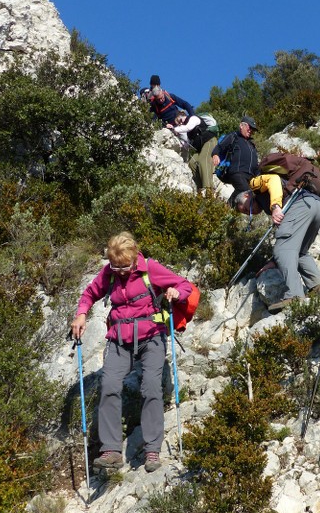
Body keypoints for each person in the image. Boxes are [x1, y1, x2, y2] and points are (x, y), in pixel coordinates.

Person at [70, 232, 193, 473]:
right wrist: (81, 314)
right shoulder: (110, 272)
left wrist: (176, 293)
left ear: (135, 257)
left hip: (151, 337)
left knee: (150, 387)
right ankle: (111, 451)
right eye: (116, 267)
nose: (120, 272)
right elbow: (89, 293)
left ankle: (152, 451)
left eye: (125, 267)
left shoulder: (150, 269)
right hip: (118, 338)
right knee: (109, 386)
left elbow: (183, 284)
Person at [233, 171, 320, 312]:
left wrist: (275, 206)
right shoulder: (265, 201)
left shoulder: (253, 185)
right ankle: (318, 286)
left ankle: (294, 295)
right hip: (316, 206)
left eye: (247, 208)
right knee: (299, 250)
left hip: (300, 205)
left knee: (282, 250)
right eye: (247, 213)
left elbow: (273, 179)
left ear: (247, 196)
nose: (251, 213)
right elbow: (291, 244)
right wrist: (274, 262)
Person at [166, 112, 217, 190]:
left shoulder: (193, 118)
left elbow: (188, 127)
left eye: (180, 120)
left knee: (203, 161)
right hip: (201, 147)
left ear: (183, 115)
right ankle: (200, 187)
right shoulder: (187, 132)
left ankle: (208, 188)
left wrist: (174, 129)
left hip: (209, 141)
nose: (181, 123)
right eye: (179, 123)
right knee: (192, 163)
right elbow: (187, 144)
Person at [212, 116, 259, 194]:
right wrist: (215, 155)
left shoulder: (251, 144)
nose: (251, 131)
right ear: (241, 126)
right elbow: (220, 146)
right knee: (247, 195)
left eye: (252, 129)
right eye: (249, 127)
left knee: (248, 197)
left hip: (251, 177)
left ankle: (229, 204)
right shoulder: (233, 136)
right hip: (237, 173)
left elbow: (255, 163)